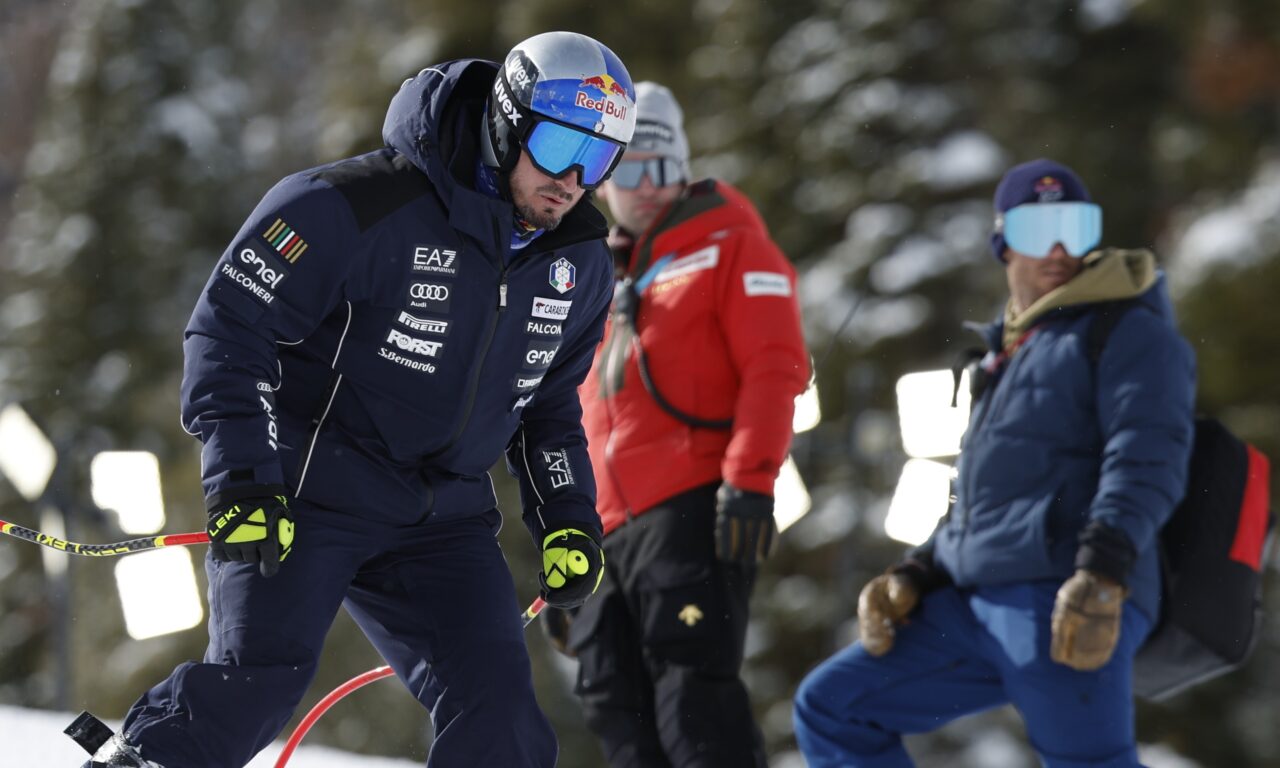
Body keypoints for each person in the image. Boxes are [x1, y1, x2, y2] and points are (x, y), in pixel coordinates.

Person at [73, 31, 637, 768]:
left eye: (598, 159)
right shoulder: (352, 206)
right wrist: (243, 476)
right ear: (507, 121)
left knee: (502, 719)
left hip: (444, 520)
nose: (572, 178)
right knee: (255, 685)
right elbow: (229, 331)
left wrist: (566, 519)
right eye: (561, 145)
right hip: (311, 490)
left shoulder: (579, 264)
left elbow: (549, 405)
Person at [792, 158, 1197, 767]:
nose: (1059, 248)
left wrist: (1103, 572)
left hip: (1062, 593)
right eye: (1038, 231)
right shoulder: (1005, 353)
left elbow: (1149, 454)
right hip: (973, 599)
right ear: (1003, 244)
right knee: (834, 706)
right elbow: (981, 496)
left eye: (1077, 228)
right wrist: (919, 572)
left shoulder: (1127, 331)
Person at [544, 81, 809, 767]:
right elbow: (563, 417)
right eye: (629, 170)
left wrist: (749, 483)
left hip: (688, 507)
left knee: (694, 703)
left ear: (684, 169)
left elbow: (775, 369)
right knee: (615, 710)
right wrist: (564, 547)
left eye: (662, 169)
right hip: (604, 530)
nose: (647, 187)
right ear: (603, 181)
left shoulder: (731, 246)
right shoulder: (595, 278)